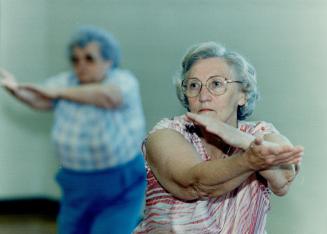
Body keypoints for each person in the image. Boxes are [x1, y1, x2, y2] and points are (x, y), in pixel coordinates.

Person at [133, 42, 303, 234]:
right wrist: (250, 160)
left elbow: (283, 180)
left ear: (243, 95)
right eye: (194, 85)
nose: (203, 96)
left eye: (216, 84)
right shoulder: (165, 134)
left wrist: (244, 141)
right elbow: (194, 184)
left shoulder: (260, 133)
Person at [1, 26, 146, 234]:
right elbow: (39, 99)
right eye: (75, 59)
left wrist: (57, 92)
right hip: (76, 185)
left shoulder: (123, 80)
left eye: (89, 59)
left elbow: (109, 97)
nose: (81, 65)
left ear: (109, 61)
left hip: (120, 185)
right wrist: (15, 90)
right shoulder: (65, 81)